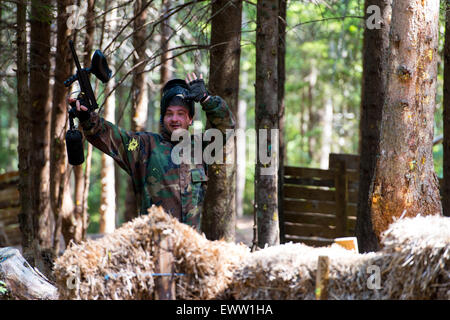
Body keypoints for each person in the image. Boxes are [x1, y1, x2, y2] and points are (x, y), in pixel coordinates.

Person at [69, 73, 235, 231]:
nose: (175, 119)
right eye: (169, 114)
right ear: (163, 118)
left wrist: (206, 99)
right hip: (154, 251)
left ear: (190, 119)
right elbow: (109, 136)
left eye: (181, 114)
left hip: (190, 250)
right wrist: (87, 117)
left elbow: (227, 128)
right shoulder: (145, 146)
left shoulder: (201, 148)